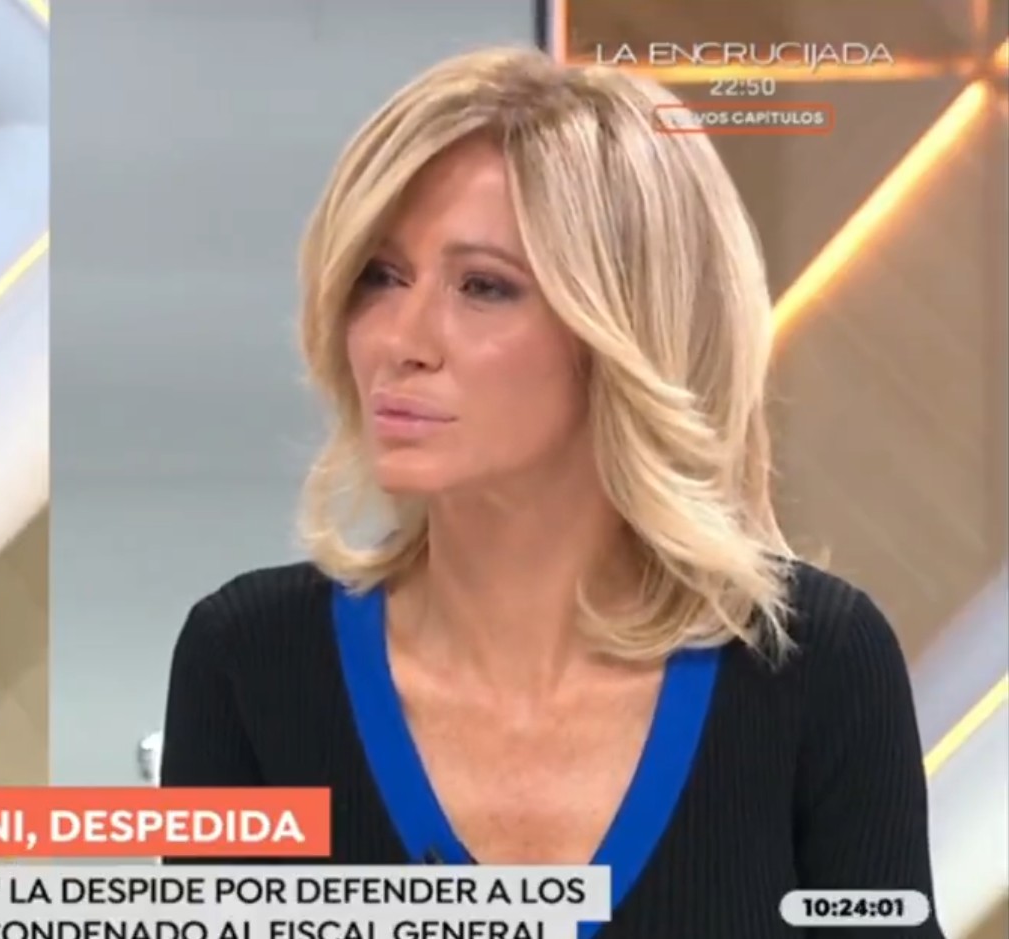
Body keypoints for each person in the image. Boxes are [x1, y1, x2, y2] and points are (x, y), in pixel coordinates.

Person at [158, 47, 942, 937]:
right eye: (381, 275)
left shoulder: (816, 666)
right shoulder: (249, 663)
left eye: (483, 287)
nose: (401, 340)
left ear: (626, 327)